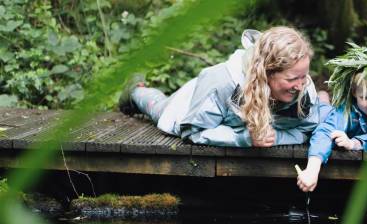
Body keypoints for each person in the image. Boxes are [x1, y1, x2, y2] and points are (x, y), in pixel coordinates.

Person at [119, 27, 320, 147]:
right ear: (268, 71)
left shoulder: (304, 91)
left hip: (211, 101)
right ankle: (135, 89)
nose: (301, 85)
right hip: (187, 106)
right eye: (293, 78)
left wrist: (278, 137)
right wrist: (246, 139)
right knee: (157, 105)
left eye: (304, 76)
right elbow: (194, 133)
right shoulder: (222, 83)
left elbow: (308, 131)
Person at [296, 42, 367, 192]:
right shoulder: (346, 110)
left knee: (326, 106)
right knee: (323, 110)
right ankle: (323, 98)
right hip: (325, 113)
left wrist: (355, 143)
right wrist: (312, 169)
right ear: (354, 94)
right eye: (366, 97)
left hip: (354, 135)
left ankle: (324, 97)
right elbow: (324, 132)